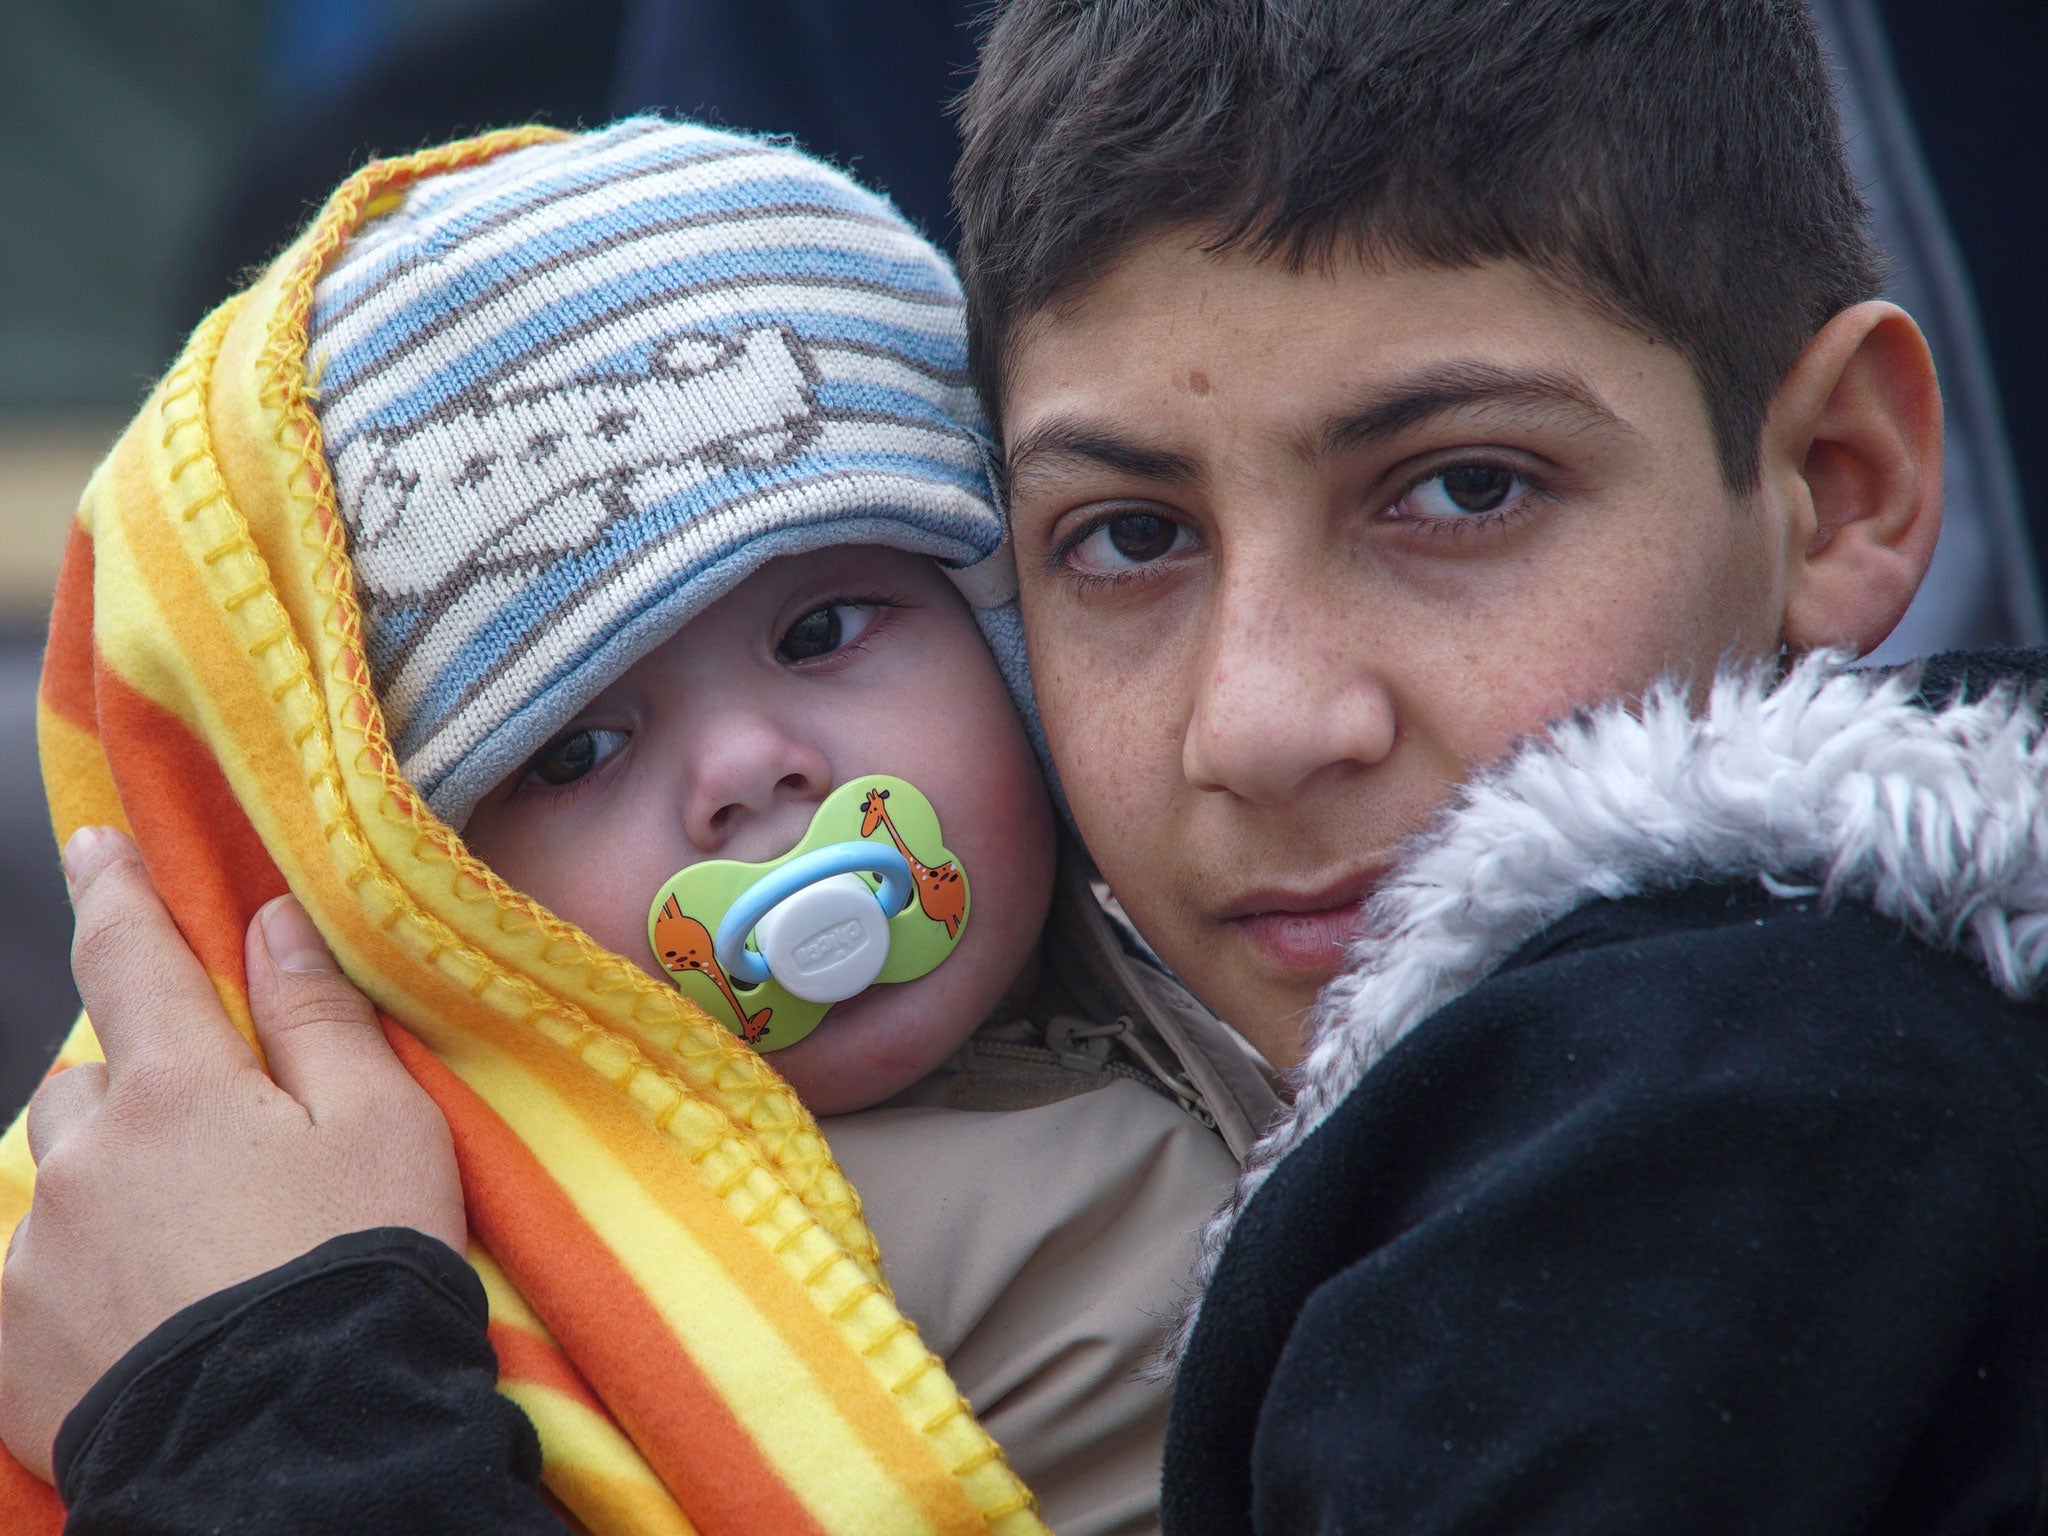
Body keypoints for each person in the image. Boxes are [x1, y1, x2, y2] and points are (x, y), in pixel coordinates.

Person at [11, 0, 2048, 1531]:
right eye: (1127, 538)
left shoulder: (1721, 1113)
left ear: (1837, 483)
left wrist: (261, 1406)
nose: (1256, 716)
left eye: (1462, 489)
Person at [0, 117, 1272, 1534]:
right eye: (578, 751)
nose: (744, 768)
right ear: (426, 901)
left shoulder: (1262, 951)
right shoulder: (420, 1268)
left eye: (825, 627)